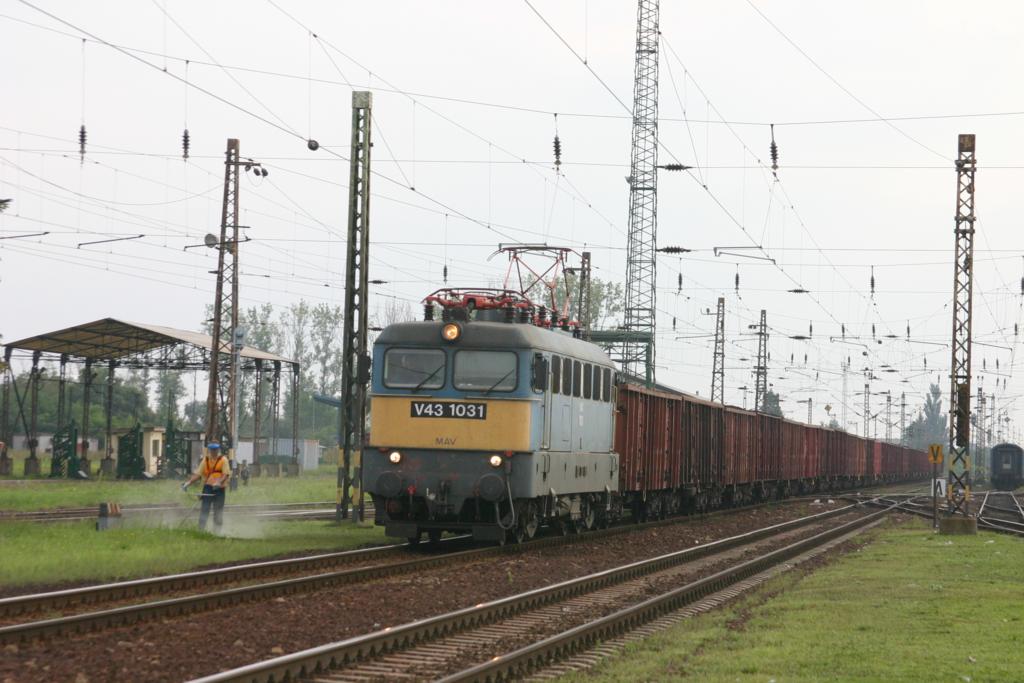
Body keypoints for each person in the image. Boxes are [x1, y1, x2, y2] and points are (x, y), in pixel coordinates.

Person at [181, 443, 231, 532]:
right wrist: (188, 483)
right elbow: (198, 474)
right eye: (211, 450)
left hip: (219, 489)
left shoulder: (223, 460)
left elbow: (225, 474)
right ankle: (201, 530)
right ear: (209, 450)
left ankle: (217, 532)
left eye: (215, 450)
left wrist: (218, 482)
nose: (213, 452)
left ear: (218, 450)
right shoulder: (206, 460)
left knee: (218, 511)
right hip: (208, 487)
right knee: (204, 509)